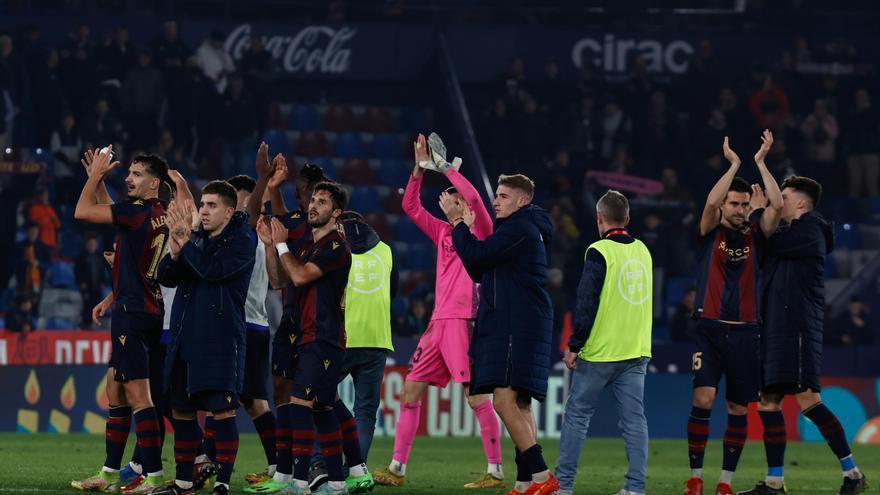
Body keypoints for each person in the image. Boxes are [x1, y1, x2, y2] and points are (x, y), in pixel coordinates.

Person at [373, 133, 503, 489]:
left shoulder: (482, 231)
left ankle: (495, 470)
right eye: (454, 197)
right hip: (436, 324)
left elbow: (475, 196)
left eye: (457, 198)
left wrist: (445, 169)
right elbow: (410, 208)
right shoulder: (445, 232)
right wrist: (418, 170)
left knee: (475, 396)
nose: (453, 200)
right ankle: (397, 469)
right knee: (410, 392)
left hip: (463, 322)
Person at [741, 176, 868, 495]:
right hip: (774, 327)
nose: (776, 199)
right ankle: (774, 482)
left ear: (800, 202)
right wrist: (758, 218)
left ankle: (852, 473)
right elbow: (763, 243)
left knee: (808, 399)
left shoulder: (812, 230)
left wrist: (757, 214)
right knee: (767, 402)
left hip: (796, 327)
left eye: (782, 195)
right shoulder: (790, 232)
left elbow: (772, 242)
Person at [441, 173, 558, 495]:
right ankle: (524, 483)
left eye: (504, 196)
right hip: (522, 320)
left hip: (515, 322)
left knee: (504, 402)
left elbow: (477, 257)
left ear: (522, 201)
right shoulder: (518, 229)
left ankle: (541, 476)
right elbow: (479, 268)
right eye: (497, 195)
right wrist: (465, 229)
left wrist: (458, 224)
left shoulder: (520, 228)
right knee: (520, 404)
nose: (496, 201)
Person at [683, 131, 782, 495]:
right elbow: (710, 204)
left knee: (739, 409)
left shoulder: (758, 233)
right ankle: (695, 477)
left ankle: (725, 482)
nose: (740, 209)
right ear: (725, 205)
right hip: (708, 329)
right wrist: (734, 164)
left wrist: (759, 161)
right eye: (734, 204)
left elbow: (776, 206)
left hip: (745, 333)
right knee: (703, 399)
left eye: (744, 205)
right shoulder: (709, 231)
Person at [71, 148, 170, 493]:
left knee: (138, 396)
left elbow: (82, 212)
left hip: (133, 313)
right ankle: (110, 473)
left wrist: (95, 176)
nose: (129, 178)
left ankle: (153, 477)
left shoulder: (139, 212)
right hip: (144, 308)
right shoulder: (155, 213)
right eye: (128, 172)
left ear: (154, 182)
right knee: (116, 387)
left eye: (137, 174)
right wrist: (110, 295)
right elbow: (114, 214)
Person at [155, 180, 256, 495]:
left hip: (221, 340)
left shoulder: (242, 241)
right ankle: (184, 482)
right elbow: (166, 277)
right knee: (182, 412)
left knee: (222, 412)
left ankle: (223, 483)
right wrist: (174, 246)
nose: (204, 211)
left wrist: (186, 246)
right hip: (185, 338)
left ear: (229, 211)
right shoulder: (195, 239)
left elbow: (212, 271)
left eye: (212, 205)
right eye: (202, 205)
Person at [554, 190, 652, 495]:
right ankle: (635, 488)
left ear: (599, 218)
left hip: (600, 352)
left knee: (577, 417)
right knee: (634, 422)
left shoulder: (598, 251)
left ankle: (564, 486)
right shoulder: (644, 251)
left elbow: (586, 302)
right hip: (636, 350)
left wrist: (574, 344)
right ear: (627, 218)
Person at [243, 146, 329, 495]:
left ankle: (327, 465)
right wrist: (271, 183)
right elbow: (265, 219)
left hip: (320, 322)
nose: (303, 200)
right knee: (281, 388)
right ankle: (286, 468)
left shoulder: (330, 232)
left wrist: (271, 185)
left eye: (307, 193)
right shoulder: (294, 222)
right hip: (291, 319)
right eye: (299, 194)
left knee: (319, 399)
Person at [260, 181, 354, 495]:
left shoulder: (335, 245)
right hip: (307, 337)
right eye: (313, 199)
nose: (313, 205)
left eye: (322, 202)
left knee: (300, 404)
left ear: (336, 212)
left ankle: (299, 482)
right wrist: (271, 247)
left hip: (323, 338)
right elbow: (278, 281)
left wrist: (284, 245)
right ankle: (338, 483)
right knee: (322, 408)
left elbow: (299, 276)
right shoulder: (309, 248)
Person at [193, 174, 278, 487]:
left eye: (243, 200)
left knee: (252, 402)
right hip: (242, 324)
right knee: (229, 398)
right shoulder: (233, 235)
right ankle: (208, 459)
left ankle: (278, 466)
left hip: (247, 324)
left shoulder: (249, 233)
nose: (239, 206)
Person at [309, 210, 396, 493]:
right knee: (366, 411)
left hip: (343, 337)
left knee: (320, 401)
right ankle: (357, 470)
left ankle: (319, 463)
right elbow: (391, 292)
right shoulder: (386, 251)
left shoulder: (336, 250)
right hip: (377, 339)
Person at [75, 232, 108, 328]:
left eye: (94, 244)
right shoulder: (81, 258)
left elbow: (102, 271)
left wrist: (102, 282)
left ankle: (95, 323)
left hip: (97, 286)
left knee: (97, 305)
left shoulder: (99, 257)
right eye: (90, 244)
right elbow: (77, 271)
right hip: (86, 287)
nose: (92, 246)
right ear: (86, 245)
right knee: (87, 305)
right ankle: (85, 324)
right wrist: (81, 282)